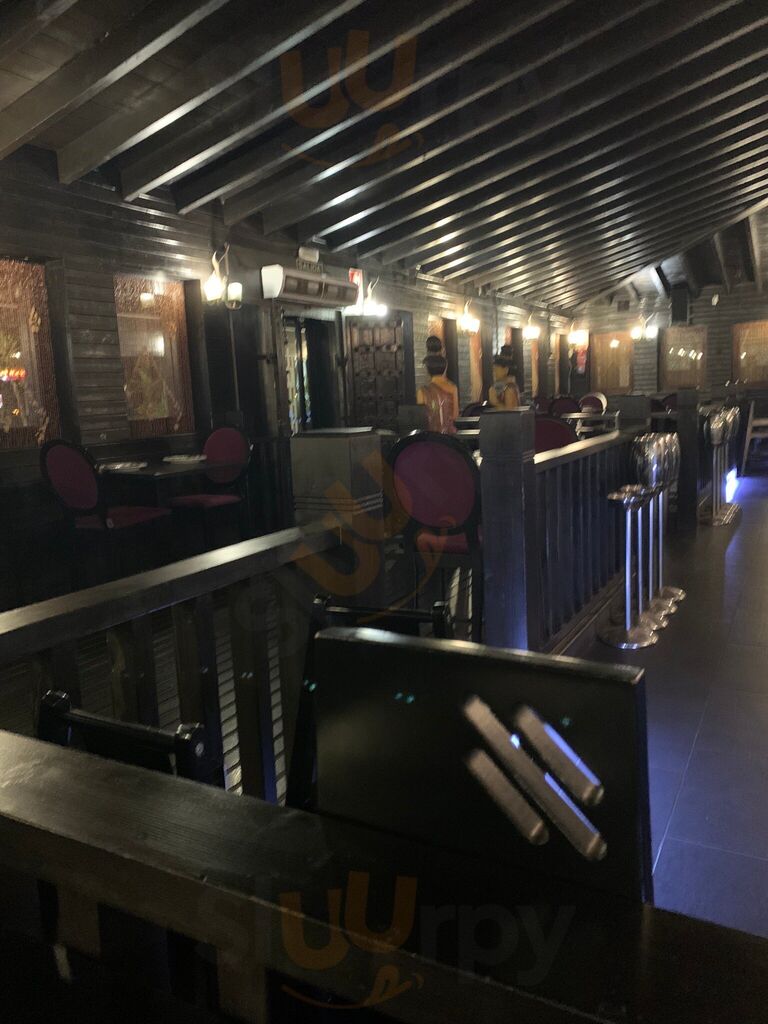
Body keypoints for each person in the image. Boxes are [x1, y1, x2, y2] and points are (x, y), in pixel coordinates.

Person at [417, 352, 459, 434]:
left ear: (428, 371)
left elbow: (421, 419)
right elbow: (455, 415)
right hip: (449, 435)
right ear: (444, 369)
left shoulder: (422, 391)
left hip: (429, 436)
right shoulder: (452, 388)